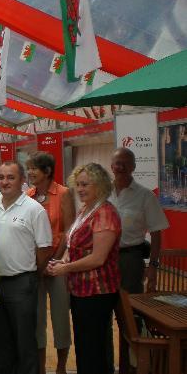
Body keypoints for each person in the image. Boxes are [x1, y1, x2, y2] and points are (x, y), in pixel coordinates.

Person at [47, 163, 121, 374]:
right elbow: (76, 246)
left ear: (100, 185)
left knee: (93, 347)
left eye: (85, 185)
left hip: (98, 292)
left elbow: (98, 258)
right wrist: (64, 261)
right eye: (77, 184)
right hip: (81, 290)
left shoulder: (105, 213)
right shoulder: (86, 210)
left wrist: (66, 267)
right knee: (85, 345)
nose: (80, 189)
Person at [0, 161, 52, 374]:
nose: (5, 182)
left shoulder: (34, 210)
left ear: (22, 180)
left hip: (22, 283)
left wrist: (31, 274)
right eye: (1, 177)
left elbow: (44, 249)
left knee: (24, 340)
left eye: (10, 177)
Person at [26, 152, 75, 374]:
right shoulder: (28, 196)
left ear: (46, 171)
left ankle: (62, 367)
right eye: (28, 168)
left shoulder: (64, 193)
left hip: (57, 265)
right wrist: (38, 263)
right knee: (36, 320)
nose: (30, 172)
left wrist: (54, 260)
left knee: (60, 317)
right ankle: (40, 368)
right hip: (34, 266)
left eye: (34, 168)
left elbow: (68, 231)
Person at [109, 147, 169, 293]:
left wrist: (153, 266)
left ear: (134, 167)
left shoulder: (146, 196)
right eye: (118, 163)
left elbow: (156, 234)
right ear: (112, 167)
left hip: (131, 260)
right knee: (104, 305)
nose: (121, 167)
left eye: (126, 163)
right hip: (103, 258)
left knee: (131, 308)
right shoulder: (102, 193)